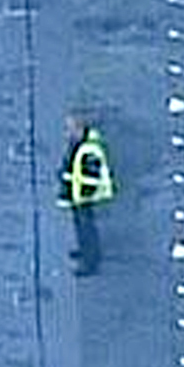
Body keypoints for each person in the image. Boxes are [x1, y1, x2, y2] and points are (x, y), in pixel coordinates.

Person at [58, 113, 116, 276]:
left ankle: (90, 262)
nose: (68, 133)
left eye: (71, 129)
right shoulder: (79, 145)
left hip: (84, 199)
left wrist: (83, 196)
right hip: (79, 197)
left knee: (87, 230)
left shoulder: (89, 148)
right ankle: (85, 252)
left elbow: (90, 177)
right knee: (82, 228)